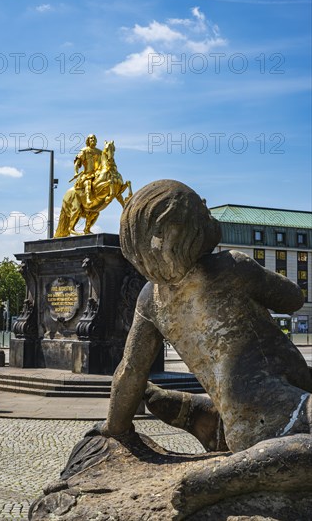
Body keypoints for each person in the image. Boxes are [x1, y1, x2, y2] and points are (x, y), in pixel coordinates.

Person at [101, 180, 312, 453]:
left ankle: (201, 415)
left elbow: (130, 370)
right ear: (189, 229)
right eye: (202, 209)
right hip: (284, 406)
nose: (207, 211)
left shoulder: (149, 298)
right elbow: (293, 299)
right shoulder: (232, 267)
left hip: (238, 421)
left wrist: (114, 428)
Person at [73, 134, 102, 206]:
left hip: (98, 174)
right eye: (91, 138)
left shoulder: (100, 152)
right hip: (87, 174)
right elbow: (77, 163)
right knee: (87, 182)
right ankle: (88, 199)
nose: (93, 139)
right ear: (88, 141)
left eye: (94, 138)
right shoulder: (84, 151)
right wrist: (76, 172)